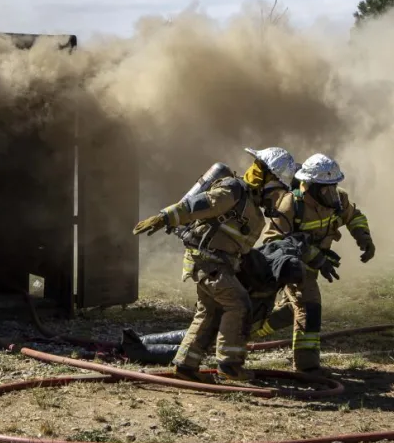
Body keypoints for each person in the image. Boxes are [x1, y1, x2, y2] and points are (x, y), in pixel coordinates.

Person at [132, 147, 298, 382]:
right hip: (208, 262)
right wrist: (165, 216)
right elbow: (201, 204)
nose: (277, 197)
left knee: (209, 312)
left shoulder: (254, 211)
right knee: (239, 305)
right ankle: (230, 366)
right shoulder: (234, 191)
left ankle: (185, 365)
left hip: (219, 264)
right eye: (278, 189)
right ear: (265, 177)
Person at [261, 152, 375, 376]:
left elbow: (355, 216)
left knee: (288, 311)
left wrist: (365, 239)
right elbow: (272, 242)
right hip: (293, 269)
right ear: (310, 186)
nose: (332, 193)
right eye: (326, 188)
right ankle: (307, 365)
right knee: (310, 306)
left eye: (333, 186)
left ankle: (242, 331)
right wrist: (312, 254)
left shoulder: (338, 201)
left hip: (313, 267)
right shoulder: (291, 205)